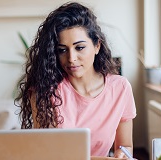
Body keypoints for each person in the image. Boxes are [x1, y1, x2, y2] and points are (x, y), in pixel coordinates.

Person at [15, 2, 137, 159]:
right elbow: (48, 154)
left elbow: (125, 146)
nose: (71, 59)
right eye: (62, 50)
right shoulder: (45, 90)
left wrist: (122, 154)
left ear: (97, 46)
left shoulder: (120, 88)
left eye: (79, 48)